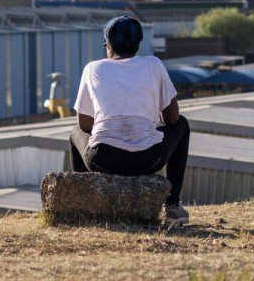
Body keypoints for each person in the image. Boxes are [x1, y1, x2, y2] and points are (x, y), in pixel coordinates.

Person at [70, 15, 191, 223]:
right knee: (182, 124)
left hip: (103, 159)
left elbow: (84, 124)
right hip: (148, 159)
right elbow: (173, 118)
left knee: (75, 133)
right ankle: (172, 207)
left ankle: (84, 205)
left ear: (108, 46)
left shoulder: (93, 68)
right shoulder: (154, 64)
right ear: (138, 45)